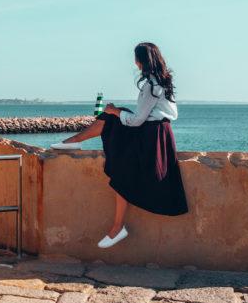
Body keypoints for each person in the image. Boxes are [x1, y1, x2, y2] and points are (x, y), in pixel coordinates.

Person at [51, 41, 189, 247]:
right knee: (114, 129)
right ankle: (117, 227)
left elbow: (138, 120)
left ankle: (73, 141)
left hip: (151, 137)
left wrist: (115, 111)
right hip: (157, 134)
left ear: (140, 60)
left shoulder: (152, 85)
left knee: (112, 121)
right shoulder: (163, 82)